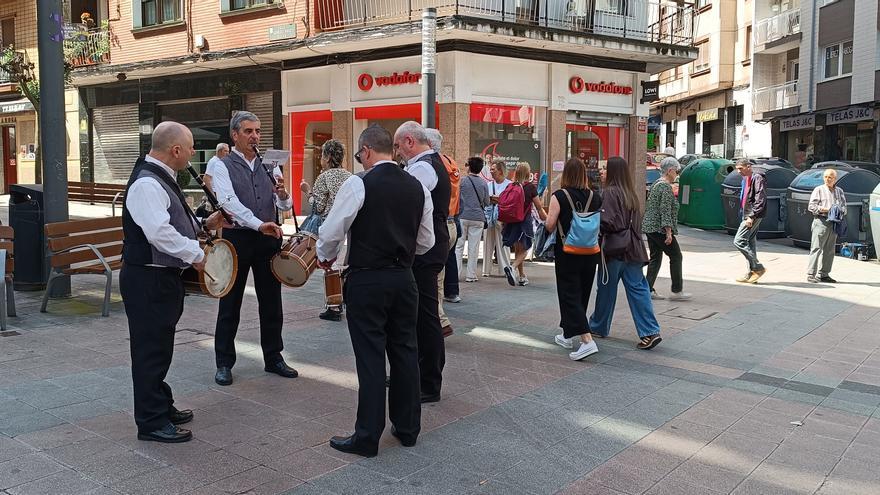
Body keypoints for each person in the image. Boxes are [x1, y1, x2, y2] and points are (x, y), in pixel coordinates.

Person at [317, 125, 434, 457]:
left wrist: (326, 257)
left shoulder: (359, 183)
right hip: (404, 278)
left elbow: (332, 230)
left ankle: (367, 435)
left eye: (359, 155)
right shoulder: (417, 186)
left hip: (368, 279)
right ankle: (408, 427)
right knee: (405, 351)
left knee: (370, 357)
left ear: (366, 151)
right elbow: (426, 241)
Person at [121, 122, 227, 443]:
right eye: (191, 147)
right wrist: (195, 254)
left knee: (160, 346)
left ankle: (161, 403)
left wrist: (203, 224)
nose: (194, 153)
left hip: (160, 277)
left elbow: (172, 222)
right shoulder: (147, 184)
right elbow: (158, 232)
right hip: (148, 279)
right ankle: (151, 422)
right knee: (150, 350)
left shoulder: (160, 178)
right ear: (176, 150)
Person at [211, 111, 298, 386]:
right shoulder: (222, 166)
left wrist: (284, 196)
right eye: (248, 131)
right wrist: (258, 223)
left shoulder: (269, 163)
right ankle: (224, 362)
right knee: (231, 301)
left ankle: (274, 357)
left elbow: (284, 206)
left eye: (258, 131)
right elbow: (228, 202)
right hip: (238, 237)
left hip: (267, 236)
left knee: (272, 301)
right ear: (234, 135)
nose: (255, 136)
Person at [394, 121, 450, 404]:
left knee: (426, 315)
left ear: (408, 142)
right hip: (429, 247)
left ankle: (428, 381)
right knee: (420, 313)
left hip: (426, 250)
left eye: (397, 146)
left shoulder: (423, 167)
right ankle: (417, 374)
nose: (397, 153)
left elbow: (405, 202)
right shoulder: (429, 163)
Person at [588, 157, 663, 350]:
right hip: (634, 249)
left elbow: (607, 221)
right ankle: (650, 331)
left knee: (606, 288)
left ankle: (598, 325)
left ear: (613, 172)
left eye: (605, 169)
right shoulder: (631, 194)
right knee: (638, 289)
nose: (602, 173)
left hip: (614, 249)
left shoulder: (610, 193)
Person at [546, 158, 603, 361]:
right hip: (590, 251)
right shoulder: (595, 196)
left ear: (566, 174)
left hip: (568, 252)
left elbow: (550, 225)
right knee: (581, 295)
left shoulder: (559, 196)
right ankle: (567, 334)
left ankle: (587, 341)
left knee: (569, 294)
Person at [301, 139, 352, 321]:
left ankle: (334, 306)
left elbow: (319, 207)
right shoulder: (348, 176)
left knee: (329, 265)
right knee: (341, 264)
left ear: (328, 157)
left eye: (322, 154)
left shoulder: (324, 177)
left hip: (329, 225)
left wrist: (307, 192)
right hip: (347, 226)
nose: (320, 159)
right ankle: (342, 301)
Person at [425, 128, 459, 337]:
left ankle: (440, 321)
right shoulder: (450, 162)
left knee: (431, 278)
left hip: (438, 225)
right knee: (438, 276)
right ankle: (438, 319)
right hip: (451, 222)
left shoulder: (431, 166)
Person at [643, 157, 690, 301]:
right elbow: (665, 210)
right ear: (670, 170)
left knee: (655, 258)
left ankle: (647, 289)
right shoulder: (664, 186)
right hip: (659, 229)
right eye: (676, 171)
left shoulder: (656, 184)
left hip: (650, 227)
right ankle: (677, 291)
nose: (677, 174)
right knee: (676, 256)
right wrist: (668, 232)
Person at [502, 163, 546, 286]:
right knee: (526, 248)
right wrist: (544, 195)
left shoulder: (512, 186)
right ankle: (512, 267)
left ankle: (521, 276)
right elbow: (539, 206)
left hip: (512, 221)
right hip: (524, 222)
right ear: (528, 173)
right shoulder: (530, 187)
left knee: (518, 249)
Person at [807, 168, 846, 283]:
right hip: (821, 221)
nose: (827, 179)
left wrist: (839, 211)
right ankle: (811, 274)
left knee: (830, 250)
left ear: (835, 179)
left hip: (834, 223)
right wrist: (827, 209)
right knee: (816, 248)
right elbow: (811, 206)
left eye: (830, 177)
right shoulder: (818, 190)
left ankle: (824, 274)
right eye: (825, 177)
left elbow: (844, 207)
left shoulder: (839, 191)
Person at [732, 159, 767, 284]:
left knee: (739, 241)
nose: (738, 171)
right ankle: (751, 273)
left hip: (752, 215)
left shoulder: (757, 178)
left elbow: (760, 198)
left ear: (748, 166)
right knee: (750, 243)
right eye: (737, 168)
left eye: (740, 168)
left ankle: (758, 267)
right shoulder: (745, 178)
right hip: (746, 214)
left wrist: (751, 216)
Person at [456, 156, 490, 283]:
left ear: (469, 167)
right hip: (478, 218)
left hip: (462, 216)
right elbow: (487, 202)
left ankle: (456, 273)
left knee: (459, 246)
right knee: (473, 247)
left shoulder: (462, 181)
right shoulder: (483, 183)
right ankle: (471, 275)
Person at [483, 159, 514, 282]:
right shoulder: (488, 185)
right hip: (489, 216)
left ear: (500, 171)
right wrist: (498, 199)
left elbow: (509, 200)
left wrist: (495, 199)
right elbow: (487, 199)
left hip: (502, 218)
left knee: (503, 243)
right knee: (487, 242)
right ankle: (486, 270)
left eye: (493, 169)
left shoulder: (509, 184)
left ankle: (505, 269)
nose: (490, 171)